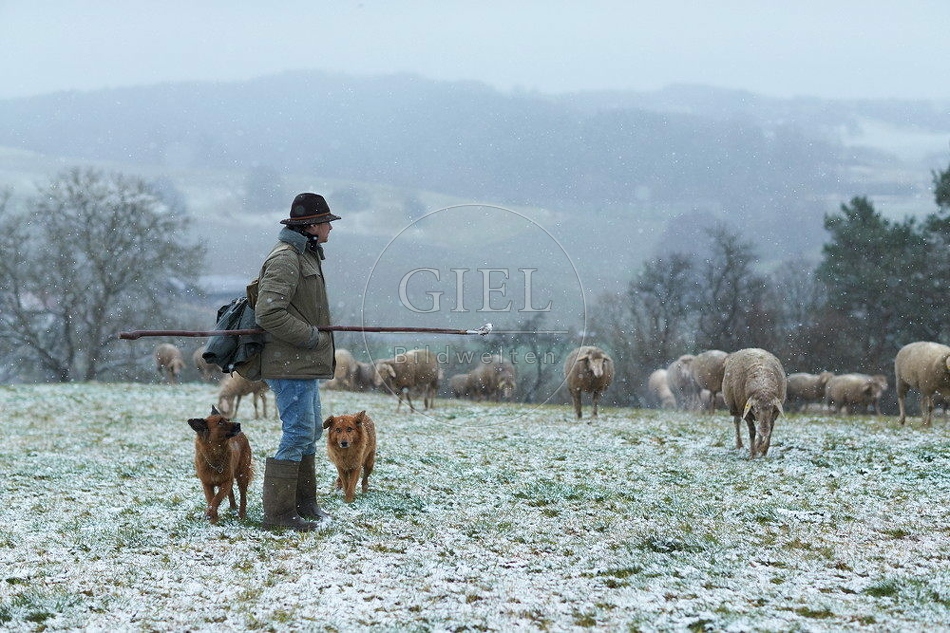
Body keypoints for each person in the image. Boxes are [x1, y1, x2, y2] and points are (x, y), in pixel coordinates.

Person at [254, 192, 340, 531]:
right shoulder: (286, 258)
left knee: (311, 431)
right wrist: (312, 338)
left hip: (301, 363)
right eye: (327, 223)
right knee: (299, 431)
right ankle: (278, 515)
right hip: (288, 361)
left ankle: (304, 503)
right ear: (312, 226)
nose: (331, 230)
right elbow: (268, 312)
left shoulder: (306, 255)